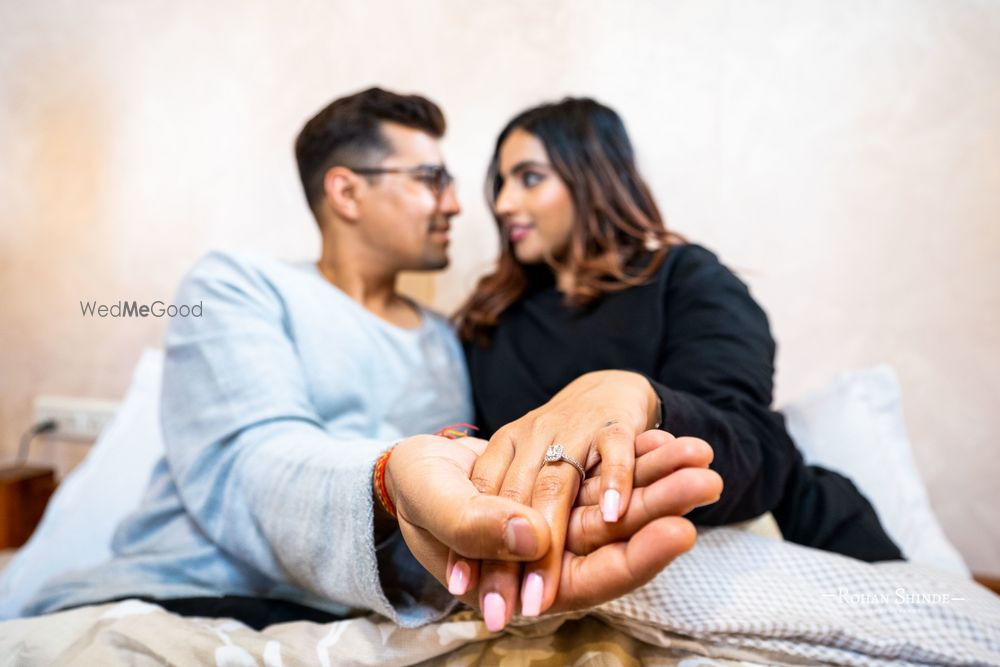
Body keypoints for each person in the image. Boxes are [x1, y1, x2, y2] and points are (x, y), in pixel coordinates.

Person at [23, 88, 721, 631]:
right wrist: (388, 478)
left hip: (358, 614)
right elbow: (252, 464)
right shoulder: (236, 285)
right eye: (430, 178)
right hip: (181, 593)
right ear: (346, 190)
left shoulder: (453, 339)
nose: (457, 203)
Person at [453, 97, 903, 623]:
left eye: (529, 178)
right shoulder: (492, 322)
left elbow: (754, 445)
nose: (504, 203)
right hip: (594, 571)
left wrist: (637, 396)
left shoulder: (687, 279)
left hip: (803, 538)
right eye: (500, 183)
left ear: (593, 175)